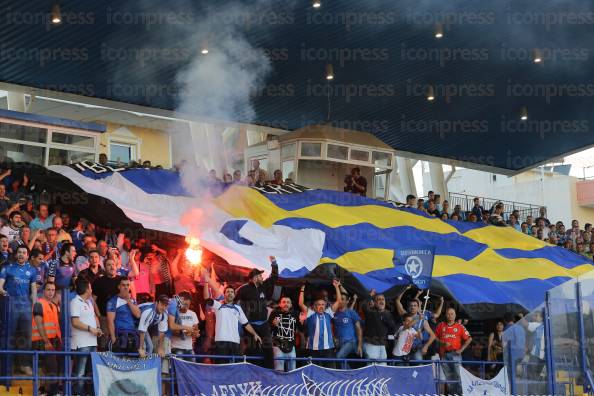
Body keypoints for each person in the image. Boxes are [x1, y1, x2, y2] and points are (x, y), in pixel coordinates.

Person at [202, 272, 262, 363]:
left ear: (234, 295)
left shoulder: (238, 308)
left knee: (235, 368)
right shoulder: (218, 305)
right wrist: (206, 283)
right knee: (221, 368)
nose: (229, 293)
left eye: (231, 292)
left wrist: (255, 334)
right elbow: (206, 298)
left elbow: (246, 324)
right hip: (221, 342)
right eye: (227, 292)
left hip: (235, 342)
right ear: (224, 294)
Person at [0, 245, 38, 375]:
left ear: (27, 256)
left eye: (24, 253)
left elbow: (33, 290)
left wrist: (34, 303)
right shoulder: (7, 268)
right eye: (19, 252)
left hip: (26, 308)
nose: (21, 254)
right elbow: (0, 285)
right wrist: (2, 291)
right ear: (16, 254)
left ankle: (24, 365)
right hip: (10, 307)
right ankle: (6, 367)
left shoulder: (32, 270)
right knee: (8, 336)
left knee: (26, 336)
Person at [235, 256, 278, 368]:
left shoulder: (263, 286)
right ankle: (253, 374)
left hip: (264, 325)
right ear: (254, 278)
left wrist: (274, 263)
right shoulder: (243, 289)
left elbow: (274, 277)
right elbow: (234, 303)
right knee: (252, 350)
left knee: (268, 350)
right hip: (250, 326)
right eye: (259, 275)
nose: (262, 277)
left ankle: (270, 373)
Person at [298, 280, 342, 368]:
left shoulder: (328, 313)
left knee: (330, 370)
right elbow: (300, 304)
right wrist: (302, 289)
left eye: (323, 304)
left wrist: (337, 287)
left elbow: (339, 302)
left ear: (325, 306)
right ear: (314, 306)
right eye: (318, 304)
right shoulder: (311, 314)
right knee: (314, 371)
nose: (321, 306)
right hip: (313, 348)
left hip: (327, 348)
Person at [70, 279, 102, 396]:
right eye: (90, 288)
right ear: (86, 289)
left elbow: (94, 317)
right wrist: (90, 328)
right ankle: (78, 393)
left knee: (90, 371)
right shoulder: (75, 302)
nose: (91, 290)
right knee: (80, 372)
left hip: (92, 342)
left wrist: (98, 328)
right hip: (81, 343)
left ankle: (87, 393)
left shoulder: (89, 302)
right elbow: (75, 322)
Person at [32, 281, 61, 395]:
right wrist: (46, 341)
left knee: (48, 368)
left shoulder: (53, 306)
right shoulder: (39, 304)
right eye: (48, 290)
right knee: (51, 367)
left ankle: (45, 390)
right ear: (43, 291)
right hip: (43, 341)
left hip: (52, 340)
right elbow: (39, 324)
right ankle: (53, 392)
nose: (50, 292)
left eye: (53, 290)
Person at [395, 286, 437, 361]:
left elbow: (433, 336)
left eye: (415, 306)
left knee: (418, 368)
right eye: (411, 306)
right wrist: (405, 289)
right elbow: (397, 301)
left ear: (418, 307)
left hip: (416, 349)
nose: (412, 307)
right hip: (402, 349)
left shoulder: (423, 320)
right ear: (408, 307)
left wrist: (426, 346)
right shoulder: (405, 315)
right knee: (403, 369)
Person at [435, 308, 472, 396]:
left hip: (455, 354)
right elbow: (434, 337)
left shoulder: (460, 326)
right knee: (449, 377)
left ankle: (460, 394)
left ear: (455, 315)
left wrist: (461, 350)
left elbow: (469, 338)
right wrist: (442, 343)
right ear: (445, 315)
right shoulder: (441, 325)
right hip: (444, 354)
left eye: (452, 314)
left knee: (458, 376)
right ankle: (453, 394)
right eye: (448, 314)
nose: (450, 315)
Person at [106, 277, 141, 352]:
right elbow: (110, 321)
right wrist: (113, 339)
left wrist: (128, 300)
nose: (126, 287)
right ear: (119, 287)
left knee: (132, 362)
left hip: (132, 335)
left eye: (128, 285)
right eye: (123, 285)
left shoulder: (132, 300)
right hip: (119, 335)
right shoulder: (112, 301)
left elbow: (138, 315)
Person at [361, 291, 396, 365]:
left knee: (383, 369)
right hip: (371, 344)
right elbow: (363, 305)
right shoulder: (370, 312)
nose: (381, 301)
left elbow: (392, 328)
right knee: (372, 369)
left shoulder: (387, 313)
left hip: (382, 345)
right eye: (379, 299)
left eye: (383, 299)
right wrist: (370, 295)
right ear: (374, 302)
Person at [269, 295, 300, 372]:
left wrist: (303, 322)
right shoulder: (274, 313)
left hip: (291, 346)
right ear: (280, 304)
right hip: (278, 346)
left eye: (288, 302)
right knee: (279, 371)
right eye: (284, 302)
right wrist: (273, 324)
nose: (286, 304)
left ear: (291, 305)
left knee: (292, 371)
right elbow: (268, 330)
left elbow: (300, 328)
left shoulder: (295, 314)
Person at [332, 293, 363, 368]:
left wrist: (359, 345)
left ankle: (348, 375)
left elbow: (359, 329)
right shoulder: (334, 313)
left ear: (347, 301)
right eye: (339, 299)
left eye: (342, 299)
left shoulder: (351, 312)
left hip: (350, 341)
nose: (340, 301)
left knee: (338, 357)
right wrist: (334, 339)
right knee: (339, 358)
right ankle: (348, 375)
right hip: (339, 343)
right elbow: (332, 328)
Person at [170, 291, 200, 361]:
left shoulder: (193, 314)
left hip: (189, 348)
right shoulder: (173, 313)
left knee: (191, 368)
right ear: (179, 303)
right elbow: (171, 331)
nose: (186, 307)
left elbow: (196, 330)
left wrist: (196, 333)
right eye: (184, 305)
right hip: (176, 347)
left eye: (188, 305)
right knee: (179, 369)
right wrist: (186, 332)